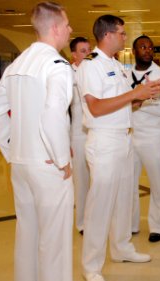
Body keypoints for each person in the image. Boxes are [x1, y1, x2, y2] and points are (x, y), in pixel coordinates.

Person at [0, 2, 74, 281]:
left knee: (27, 239)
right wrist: (62, 160)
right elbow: (52, 116)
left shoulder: (17, 65)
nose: (70, 30)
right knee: (55, 245)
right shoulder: (57, 66)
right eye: (67, 25)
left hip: (21, 165)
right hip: (48, 166)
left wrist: (12, 149)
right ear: (55, 28)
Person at [76, 15, 160, 281]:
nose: (125, 38)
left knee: (124, 199)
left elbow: (125, 105)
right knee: (100, 206)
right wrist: (133, 93)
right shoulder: (90, 66)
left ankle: (122, 247)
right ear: (107, 35)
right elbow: (97, 108)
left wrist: (145, 95)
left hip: (125, 139)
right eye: (122, 33)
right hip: (104, 142)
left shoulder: (117, 65)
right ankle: (91, 266)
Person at [128, 35, 160, 242]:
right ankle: (130, 223)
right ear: (134, 51)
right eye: (142, 47)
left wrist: (144, 101)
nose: (147, 50)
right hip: (129, 135)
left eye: (150, 47)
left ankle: (159, 226)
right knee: (127, 181)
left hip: (152, 136)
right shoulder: (124, 74)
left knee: (157, 181)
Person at [69, 37, 91, 235]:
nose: (87, 54)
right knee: (81, 180)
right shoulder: (67, 75)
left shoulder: (94, 71)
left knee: (99, 179)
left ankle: (99, 218)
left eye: (89, 50)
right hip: (77, 132)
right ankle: (82, 222)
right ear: (74, 54)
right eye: (83, 51)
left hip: (96, 131)